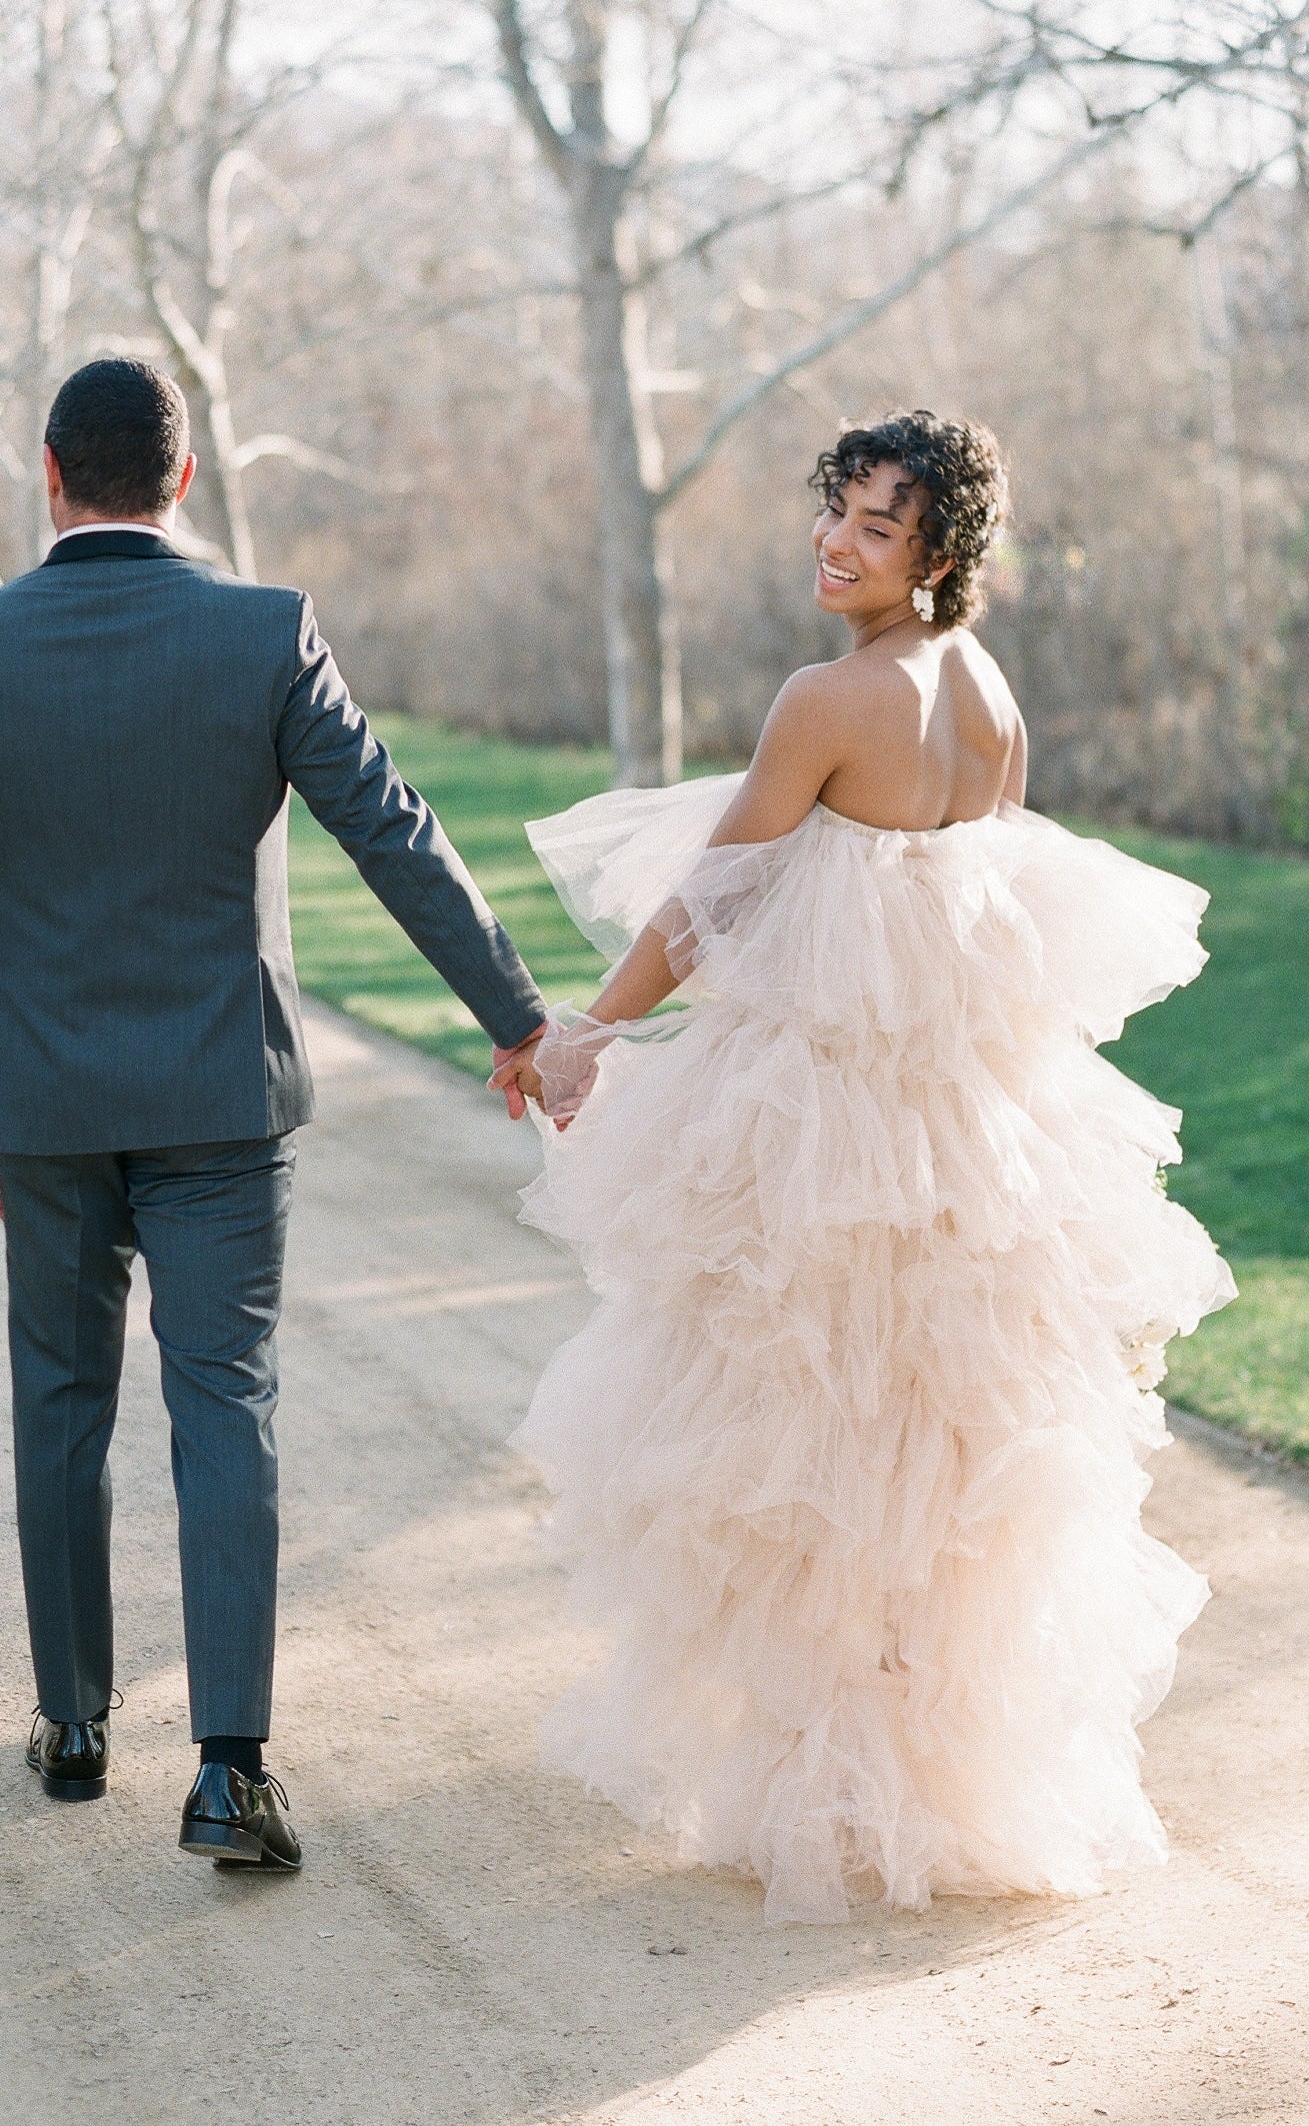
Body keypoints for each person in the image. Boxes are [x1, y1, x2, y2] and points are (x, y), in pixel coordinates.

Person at [508, 411, 1236, 1925]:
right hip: (966, 1141)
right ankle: (921, 1776)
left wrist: (589, 1033)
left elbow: (716, 898)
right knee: (936, 1462)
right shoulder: (987, 693)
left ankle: (825, 1784)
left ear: (939, 554)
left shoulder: (829, 697)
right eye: (837, 512)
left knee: (806, 1452)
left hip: (831, 1138)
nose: (837, 544)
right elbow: (982, 913)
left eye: (878, 528)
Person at [0, 357, 547, 1869]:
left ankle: (73, 1726)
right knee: (224, 1398)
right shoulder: (262, 631)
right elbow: (393, 832)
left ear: (52, 474)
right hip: (223, 1098)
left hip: (49, 1100)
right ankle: (231, 1773)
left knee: (61, 1400)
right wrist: (516, 1020)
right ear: (182, 479)